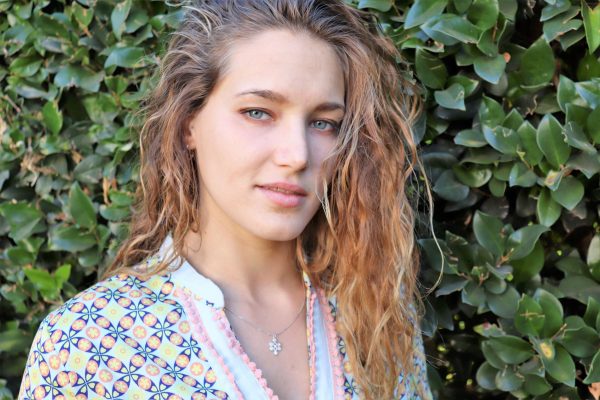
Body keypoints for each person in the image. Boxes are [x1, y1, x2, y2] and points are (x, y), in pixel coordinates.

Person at [18, 0, 433, 399]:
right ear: (188, 124)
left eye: (324, 123)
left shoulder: (377, 316)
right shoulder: (89, 342)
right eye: (258, 112)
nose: (297, 155)